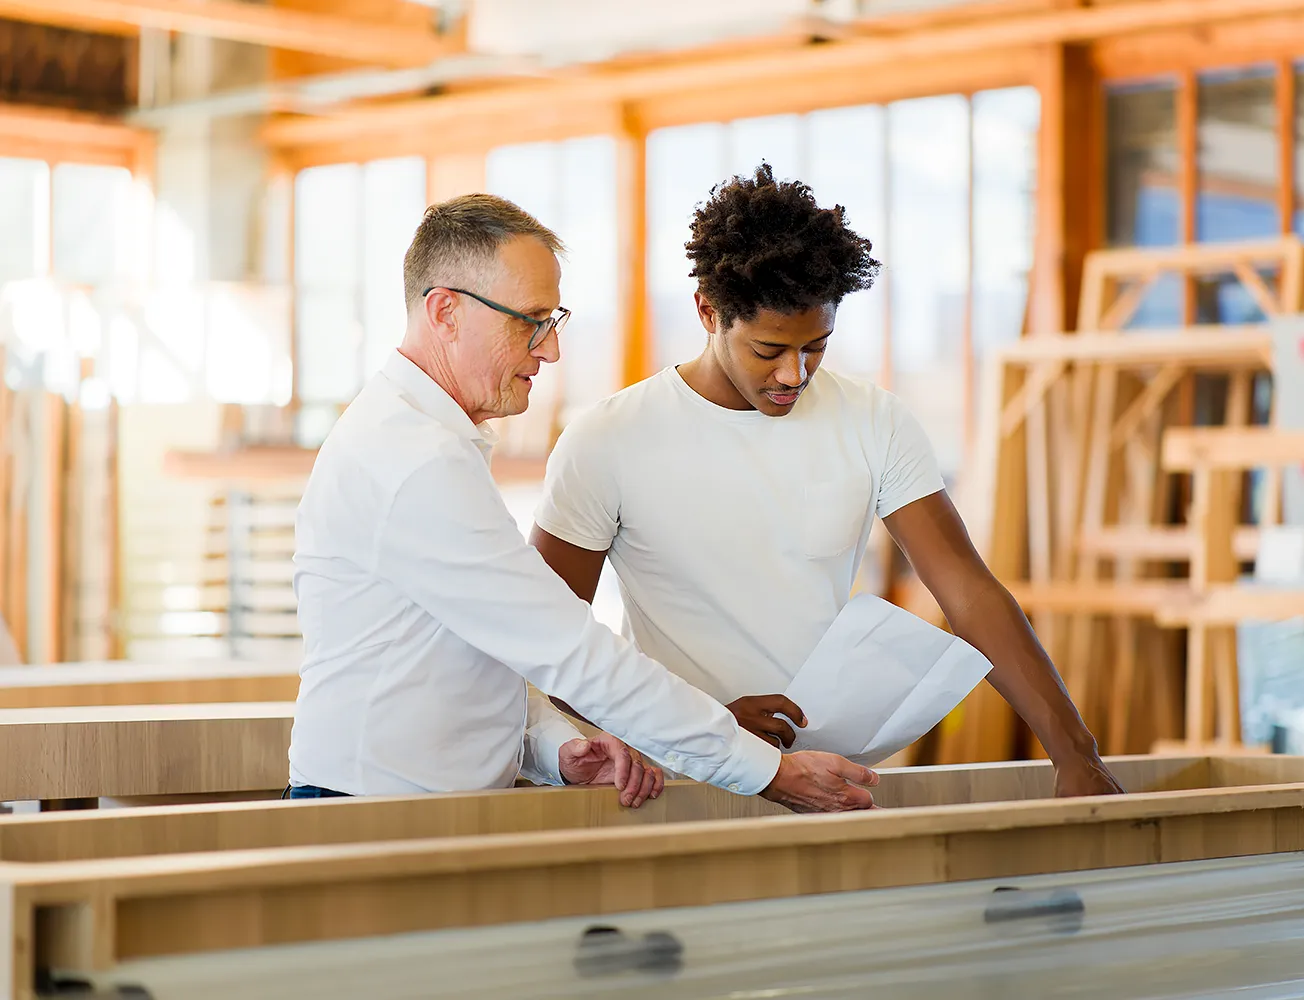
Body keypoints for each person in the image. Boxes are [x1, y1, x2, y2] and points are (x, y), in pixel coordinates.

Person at [531, 165, 1123, 798]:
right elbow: (546, 637)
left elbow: (968, 591)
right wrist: (704, 728)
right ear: (708, 311)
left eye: (817, 345)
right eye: (769, 350)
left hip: (831, 774)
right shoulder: (608, 439)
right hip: (677, 780)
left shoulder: (875, 420)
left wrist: (1075, 752)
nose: (795, 373)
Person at [285, 192, 880, 813]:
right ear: (445, 313)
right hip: (370, 813)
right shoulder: (414, 460)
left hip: (407, 808)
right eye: (529, 321)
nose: (550, 350)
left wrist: (556, 747)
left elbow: (476, 653)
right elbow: (569, 649)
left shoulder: (430, 443)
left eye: (554, 321)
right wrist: (765, 771)